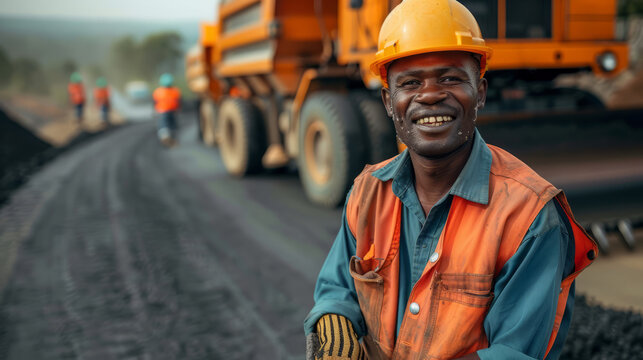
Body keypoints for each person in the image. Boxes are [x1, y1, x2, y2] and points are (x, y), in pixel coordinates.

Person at [304, 0, 598, 359]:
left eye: (450, 78)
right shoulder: (368, 193)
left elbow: (513, 354)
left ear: (481, 93)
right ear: (387, 100)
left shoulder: (529, 218)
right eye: (410, 82)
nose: (429, 95)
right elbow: (338, 286)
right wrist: (334, 319)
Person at [153, 73, 182, 147]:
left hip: (163, 111)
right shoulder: (175, 90)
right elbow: (179, 101)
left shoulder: (158, 91)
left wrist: (155, 111)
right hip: (170, 111)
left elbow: (154, 102)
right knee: (171, 125)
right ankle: (169, 138)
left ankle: (166, 137)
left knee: (164, 126)